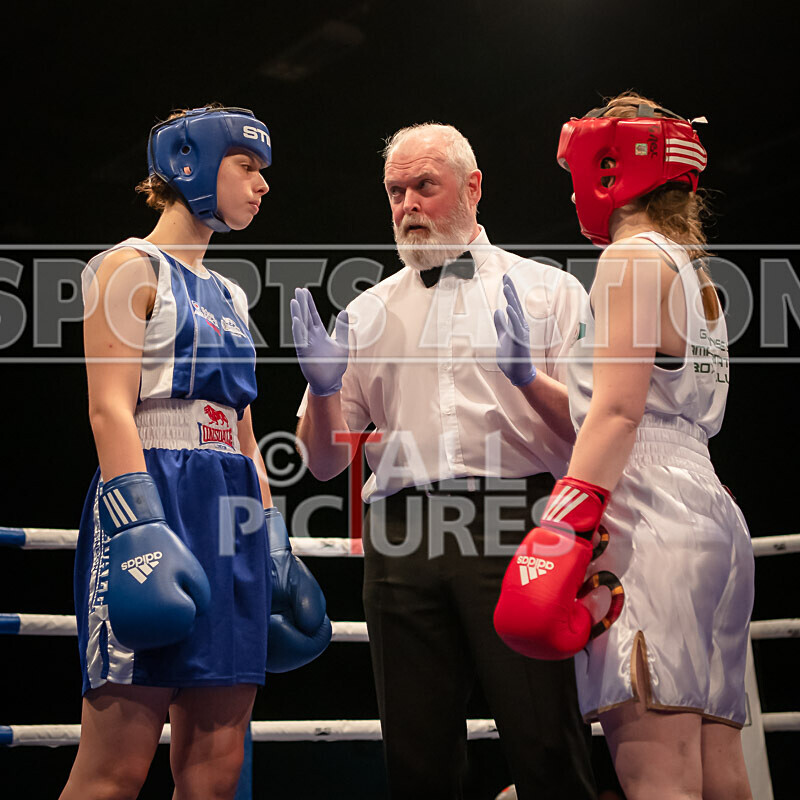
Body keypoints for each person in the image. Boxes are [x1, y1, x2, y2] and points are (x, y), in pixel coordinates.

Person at [292, 123, 596, 799]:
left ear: (472, 187)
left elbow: (593, 432)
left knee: (545, 737)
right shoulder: (367, 313)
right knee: (417, 756)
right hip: (401, 534)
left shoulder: (549, 292)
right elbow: (318, 464)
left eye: (423, 186)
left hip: (519, 520)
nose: (407, 206)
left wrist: (527, 381)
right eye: (395, 191)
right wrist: (319, 391)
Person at [61, 105, 330, 800]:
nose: (262, 185)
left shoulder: (231, 295)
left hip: (230, 509)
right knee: (114, 771)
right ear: (190, 163)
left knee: (216, 770)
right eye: (248, 167)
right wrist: (140, 522)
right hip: (152, 493)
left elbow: (242, 428)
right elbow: (107, 407)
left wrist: (272, 537)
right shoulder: (126, 267)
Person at [494, 93, 755, 800]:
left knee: (656, 773)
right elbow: (638, 411)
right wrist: (528, 379)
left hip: (645, 517)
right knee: (720, 767)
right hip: (711, 515)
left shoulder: (627, 259)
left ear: (609, 163)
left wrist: (562, 523)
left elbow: (617, 414)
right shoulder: (697, 276)